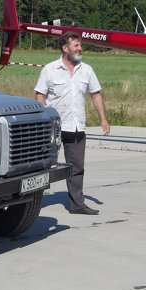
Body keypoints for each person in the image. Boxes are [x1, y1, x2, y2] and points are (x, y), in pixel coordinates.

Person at [34, 32, 110, 215]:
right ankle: (31, 203)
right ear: (65, 48)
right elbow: (40, 95)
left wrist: (103, 119)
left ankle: (77, 205)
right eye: (76, 45)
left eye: (80, 45)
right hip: (53, 128)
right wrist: (41, 120)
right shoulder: (50, 70)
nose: (80, 48)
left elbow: (96, 94)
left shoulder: (86, 70)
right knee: (40, 165)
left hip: (76, 127)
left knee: (77, 167)